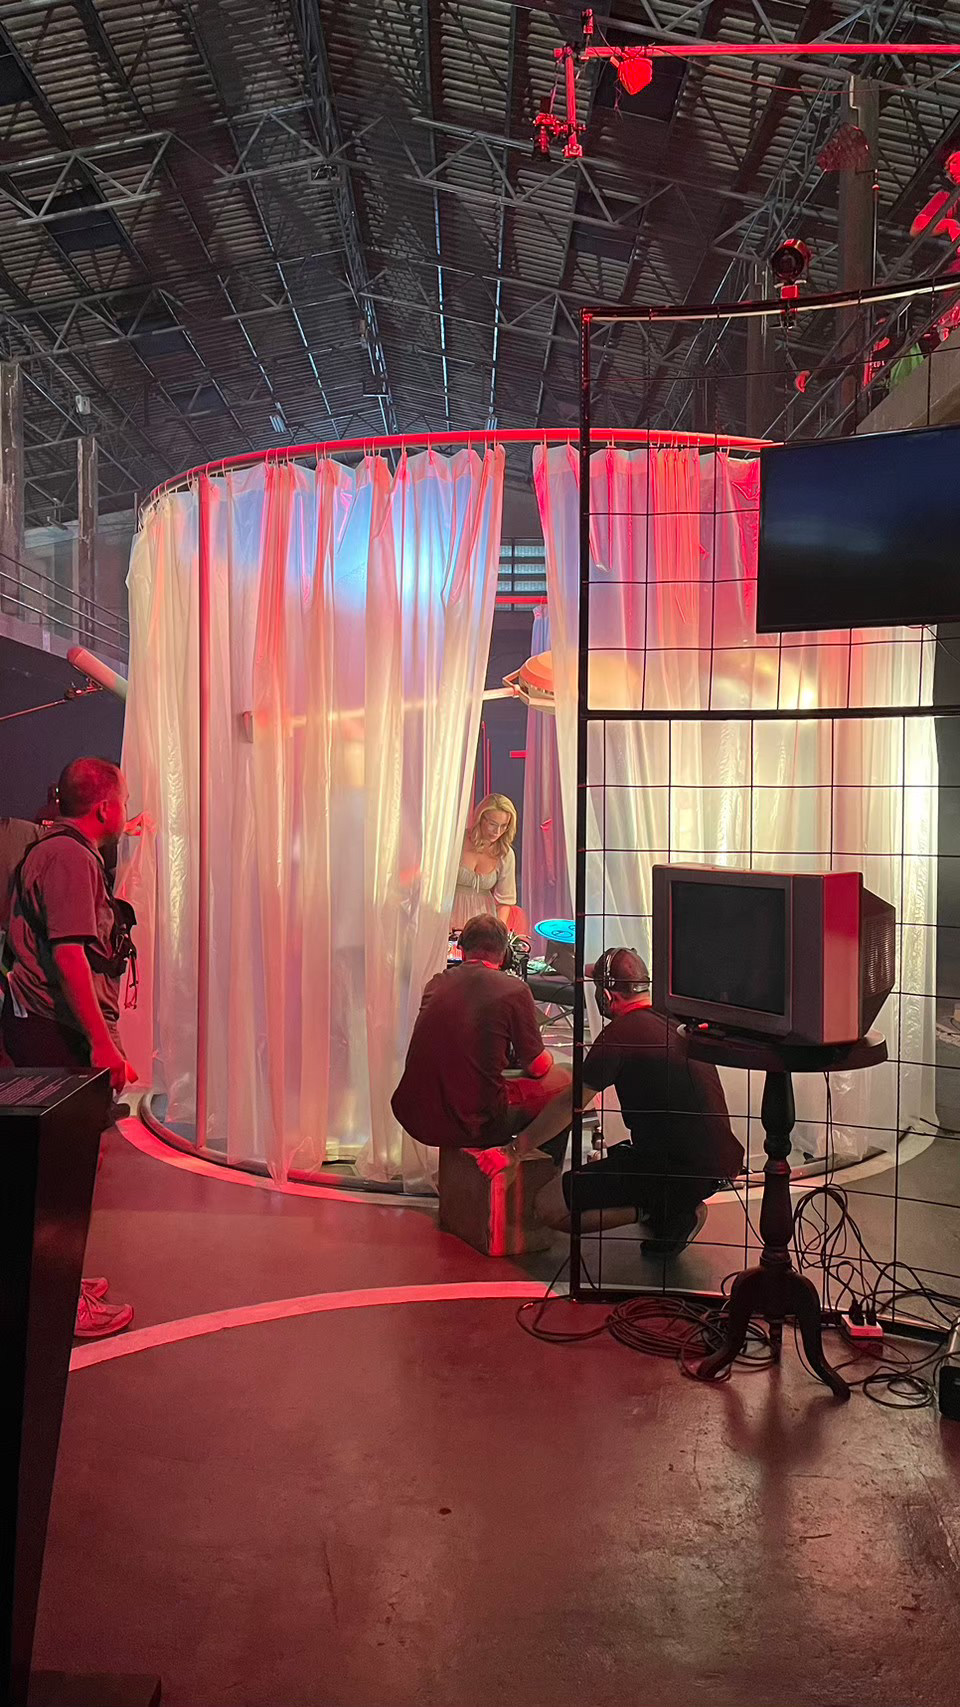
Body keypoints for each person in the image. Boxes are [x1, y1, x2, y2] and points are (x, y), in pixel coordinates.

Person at [2, 757, 138, 1338]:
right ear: (105, 807)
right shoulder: (70, 859)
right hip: (55, 1031)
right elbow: (70, 956)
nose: (126, 810)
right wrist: (102, 1045)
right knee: (60, 1170)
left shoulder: (58, 850)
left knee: (70, 1164)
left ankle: (60, 1279)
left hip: (47, 1028)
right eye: (123, 801)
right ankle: (56, 1298)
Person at [509, 948, 744, 1256]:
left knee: (548, 1207)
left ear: (607, 995)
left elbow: (569, 1105)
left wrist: (515, 1148)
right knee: (629, 1157)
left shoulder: (620, 1034)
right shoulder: (674, 1019)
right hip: (720, 1162)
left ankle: (669, 1210)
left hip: (676, 1168)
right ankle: (674, 1204)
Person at [392, 912, 571, 1163]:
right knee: (569, 1080)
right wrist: (548, 1056)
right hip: (474, 1120)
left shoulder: (436, 983)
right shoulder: (514, 990)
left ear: (462, 949)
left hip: (415, 1114)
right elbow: (537, 1067)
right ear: (504, 953)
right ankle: (540, 1172)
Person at [451, 793, 519, 933]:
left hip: (483, 924)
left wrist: (498, 935)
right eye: (492, 824)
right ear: (480, 818)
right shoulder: (457, 842)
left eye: (504, 826)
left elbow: (505, 902)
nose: (497, 831)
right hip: (449, 915)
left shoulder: (505, 854)